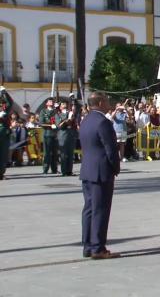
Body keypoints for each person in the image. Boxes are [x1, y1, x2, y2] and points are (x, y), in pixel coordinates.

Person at [79, 91, 121, 259]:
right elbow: (110, 149)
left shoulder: (86, 120)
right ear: (101, 103)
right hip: (101, 171)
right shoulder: (103, 122)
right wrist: (115, 167)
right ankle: (98, 247)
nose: (109, 103)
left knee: (89, 209)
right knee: (100, 210)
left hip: (87, 170)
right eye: (107, 100)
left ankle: (88, 245)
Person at [57, 100, 77, 176]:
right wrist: (68, 119)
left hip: (71, 135)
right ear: (60, 106)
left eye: (66, 103)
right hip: (63, 135)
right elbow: (59, 125)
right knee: (63, 154)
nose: (64, 105)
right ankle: (64, 171)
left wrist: (72, 116)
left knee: (70, 154)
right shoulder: (58, 115)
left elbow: (74, 124)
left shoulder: (70, 113)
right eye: (62, 104)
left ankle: (69, 171)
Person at [39, 97, 59, 174]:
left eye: (52, 101)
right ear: (46, 103)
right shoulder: (43, 111)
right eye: (50, 101)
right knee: (47, 152)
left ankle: (54, 169)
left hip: (55, 134)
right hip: (47, 133)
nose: (52, 102)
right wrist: (50, 125)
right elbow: (41, 122)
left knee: (55, 153)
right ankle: (45, 168)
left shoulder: (56, 111)